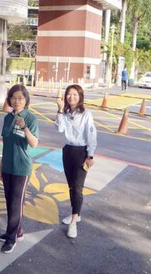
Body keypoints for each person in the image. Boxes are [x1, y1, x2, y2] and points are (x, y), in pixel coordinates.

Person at [0, 84, 39, 253]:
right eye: (13, 98)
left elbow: (34, 143)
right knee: (9, 201)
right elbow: (5, 144)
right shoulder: (8, 118)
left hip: (22, 167)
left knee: (16, 203)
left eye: (20, 98)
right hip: (7, 165)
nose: (16, 101)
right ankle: (16, 231)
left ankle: (12, 237)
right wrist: (0, 166)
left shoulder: (30, 118)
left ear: (26, 100)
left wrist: (24, 127)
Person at [55, 84, 97, 239]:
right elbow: (59, 129)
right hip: (68, 151)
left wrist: (90, 155)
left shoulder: (86, 114)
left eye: (74, 94)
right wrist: (59, 110)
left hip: (82, 152)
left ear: (80, 96)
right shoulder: (65, 113)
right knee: (71, 186)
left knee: (78, 188)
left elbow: (91, 135)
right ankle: (76, 214)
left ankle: (73, 222)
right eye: (69, 94)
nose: (71, 97)